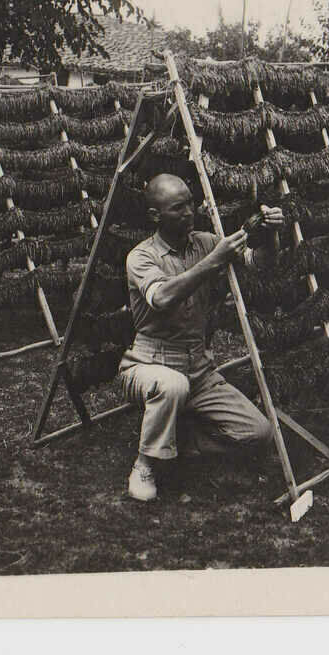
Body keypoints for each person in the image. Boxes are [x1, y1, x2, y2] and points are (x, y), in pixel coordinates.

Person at [121, 173, 287, 501]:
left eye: (191, 205)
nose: (188, 213)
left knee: (258, 433)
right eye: (178, 208)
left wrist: (268, 235)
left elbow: (258, 264)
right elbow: (162, 298)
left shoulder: (206, 242)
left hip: (198, 368)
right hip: (148, 364)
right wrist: (214, 261)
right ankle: (144, 464)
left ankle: (181, 441)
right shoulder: (141, 257)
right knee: (172, 386)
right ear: (156, 216)